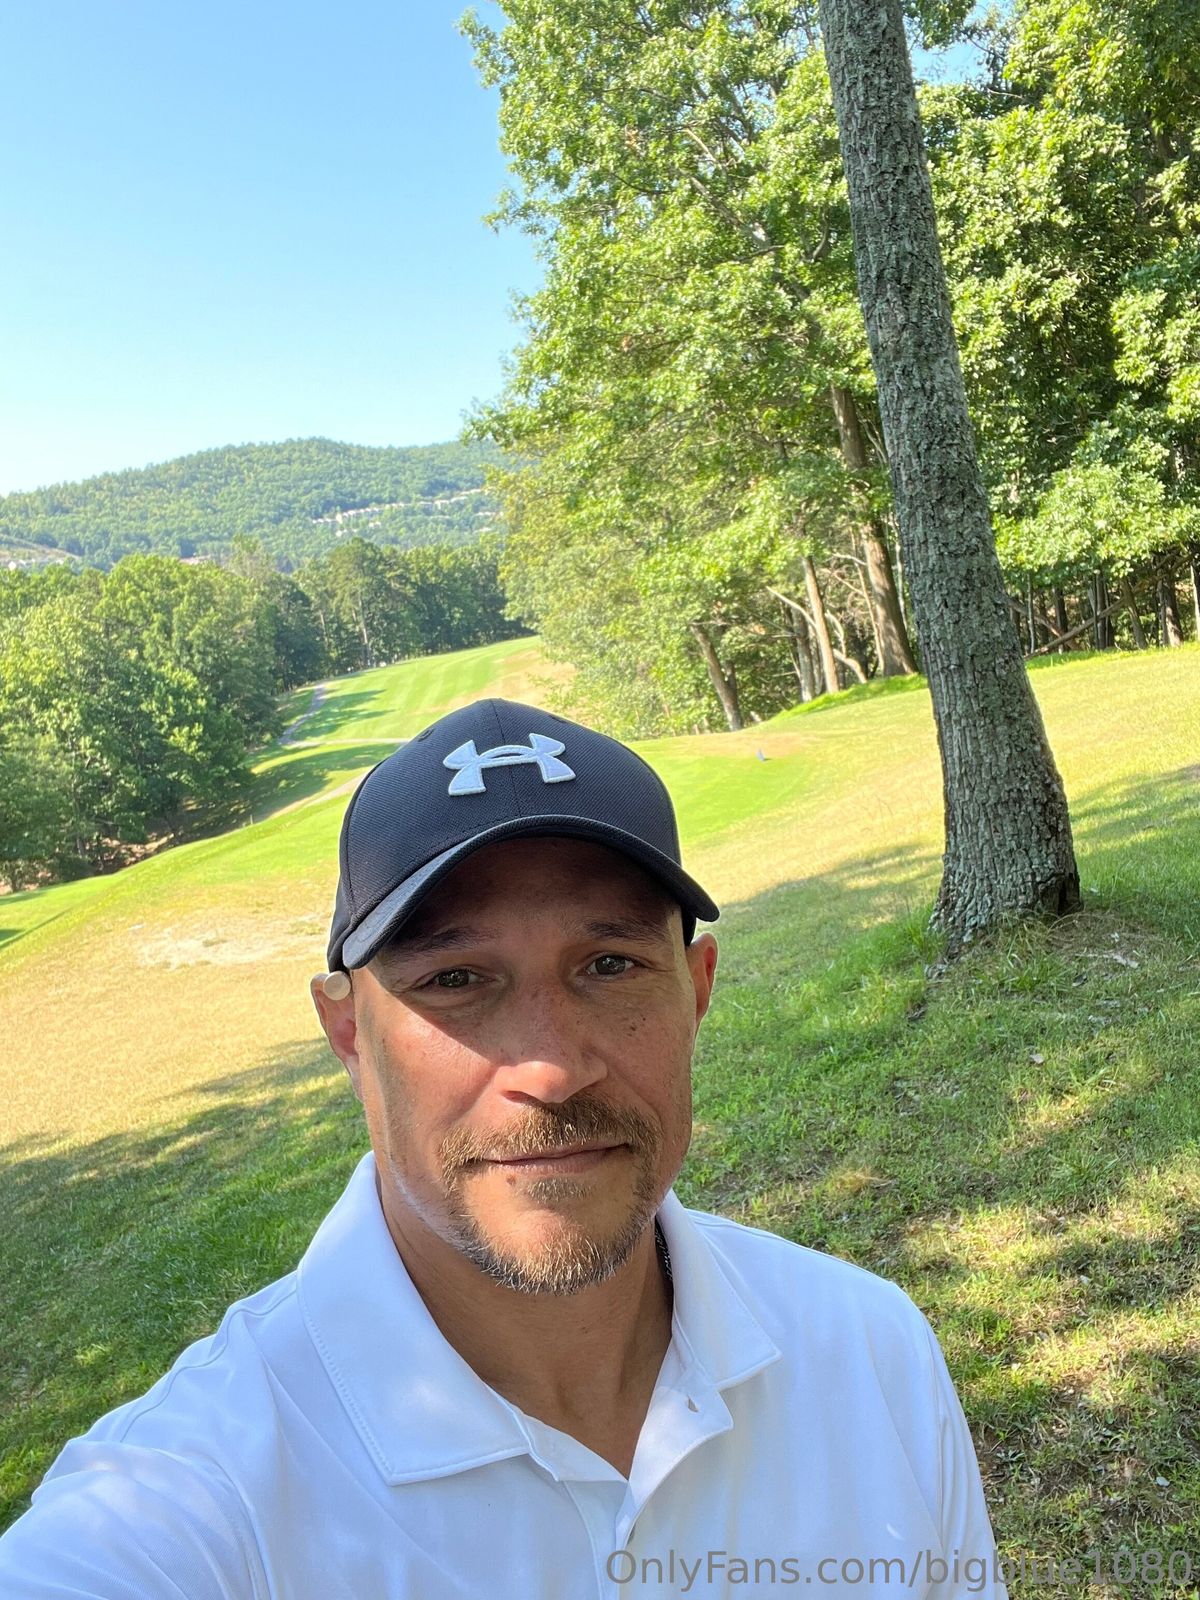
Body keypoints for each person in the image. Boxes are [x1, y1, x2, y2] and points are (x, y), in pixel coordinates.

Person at [0, 698, 1008, 1597]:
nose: (552, 1069)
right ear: (348, 1033)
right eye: (455, 980)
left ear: (695, 990)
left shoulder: (870, 1351)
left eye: (609, 964)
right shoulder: (194, 1500)